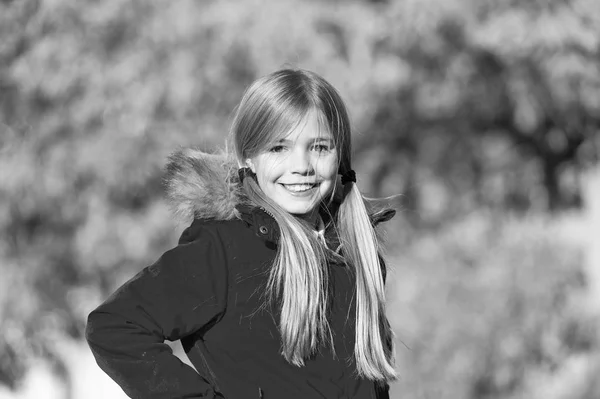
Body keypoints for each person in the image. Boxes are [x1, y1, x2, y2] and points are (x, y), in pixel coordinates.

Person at [86, 68, 397, 398]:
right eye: (279, 148)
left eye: (319, 147)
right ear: (248, 156)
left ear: (340, 157)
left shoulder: (356, 253)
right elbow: (115, 326)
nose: (302, 165)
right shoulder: (224, 248)